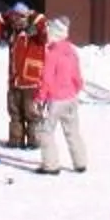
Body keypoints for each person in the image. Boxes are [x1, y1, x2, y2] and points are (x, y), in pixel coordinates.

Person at [33, 12, 89, 174]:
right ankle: (80, 162)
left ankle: (51, 166)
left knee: (45, 131)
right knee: (73, 131)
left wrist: (40, 97)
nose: (47, 34)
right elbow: (77, 77)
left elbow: (46, 79)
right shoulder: (71, 51)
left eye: (49, 31)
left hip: (54, 100)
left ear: (55, 33)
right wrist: (74, 90)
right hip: (71, 98)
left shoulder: (53, 54)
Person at [0, 1, 44, 148]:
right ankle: (15, 140)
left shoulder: (36, 34)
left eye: (20, 18)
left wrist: (34, 20)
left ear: (27, 17)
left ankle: (35, 141)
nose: (17, 22)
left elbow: (44, 26)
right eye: (14, 18)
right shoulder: (12, 33)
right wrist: (8, 15)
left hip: (31, 82)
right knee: (15, 113)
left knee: (32, 115)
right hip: (15, 81)